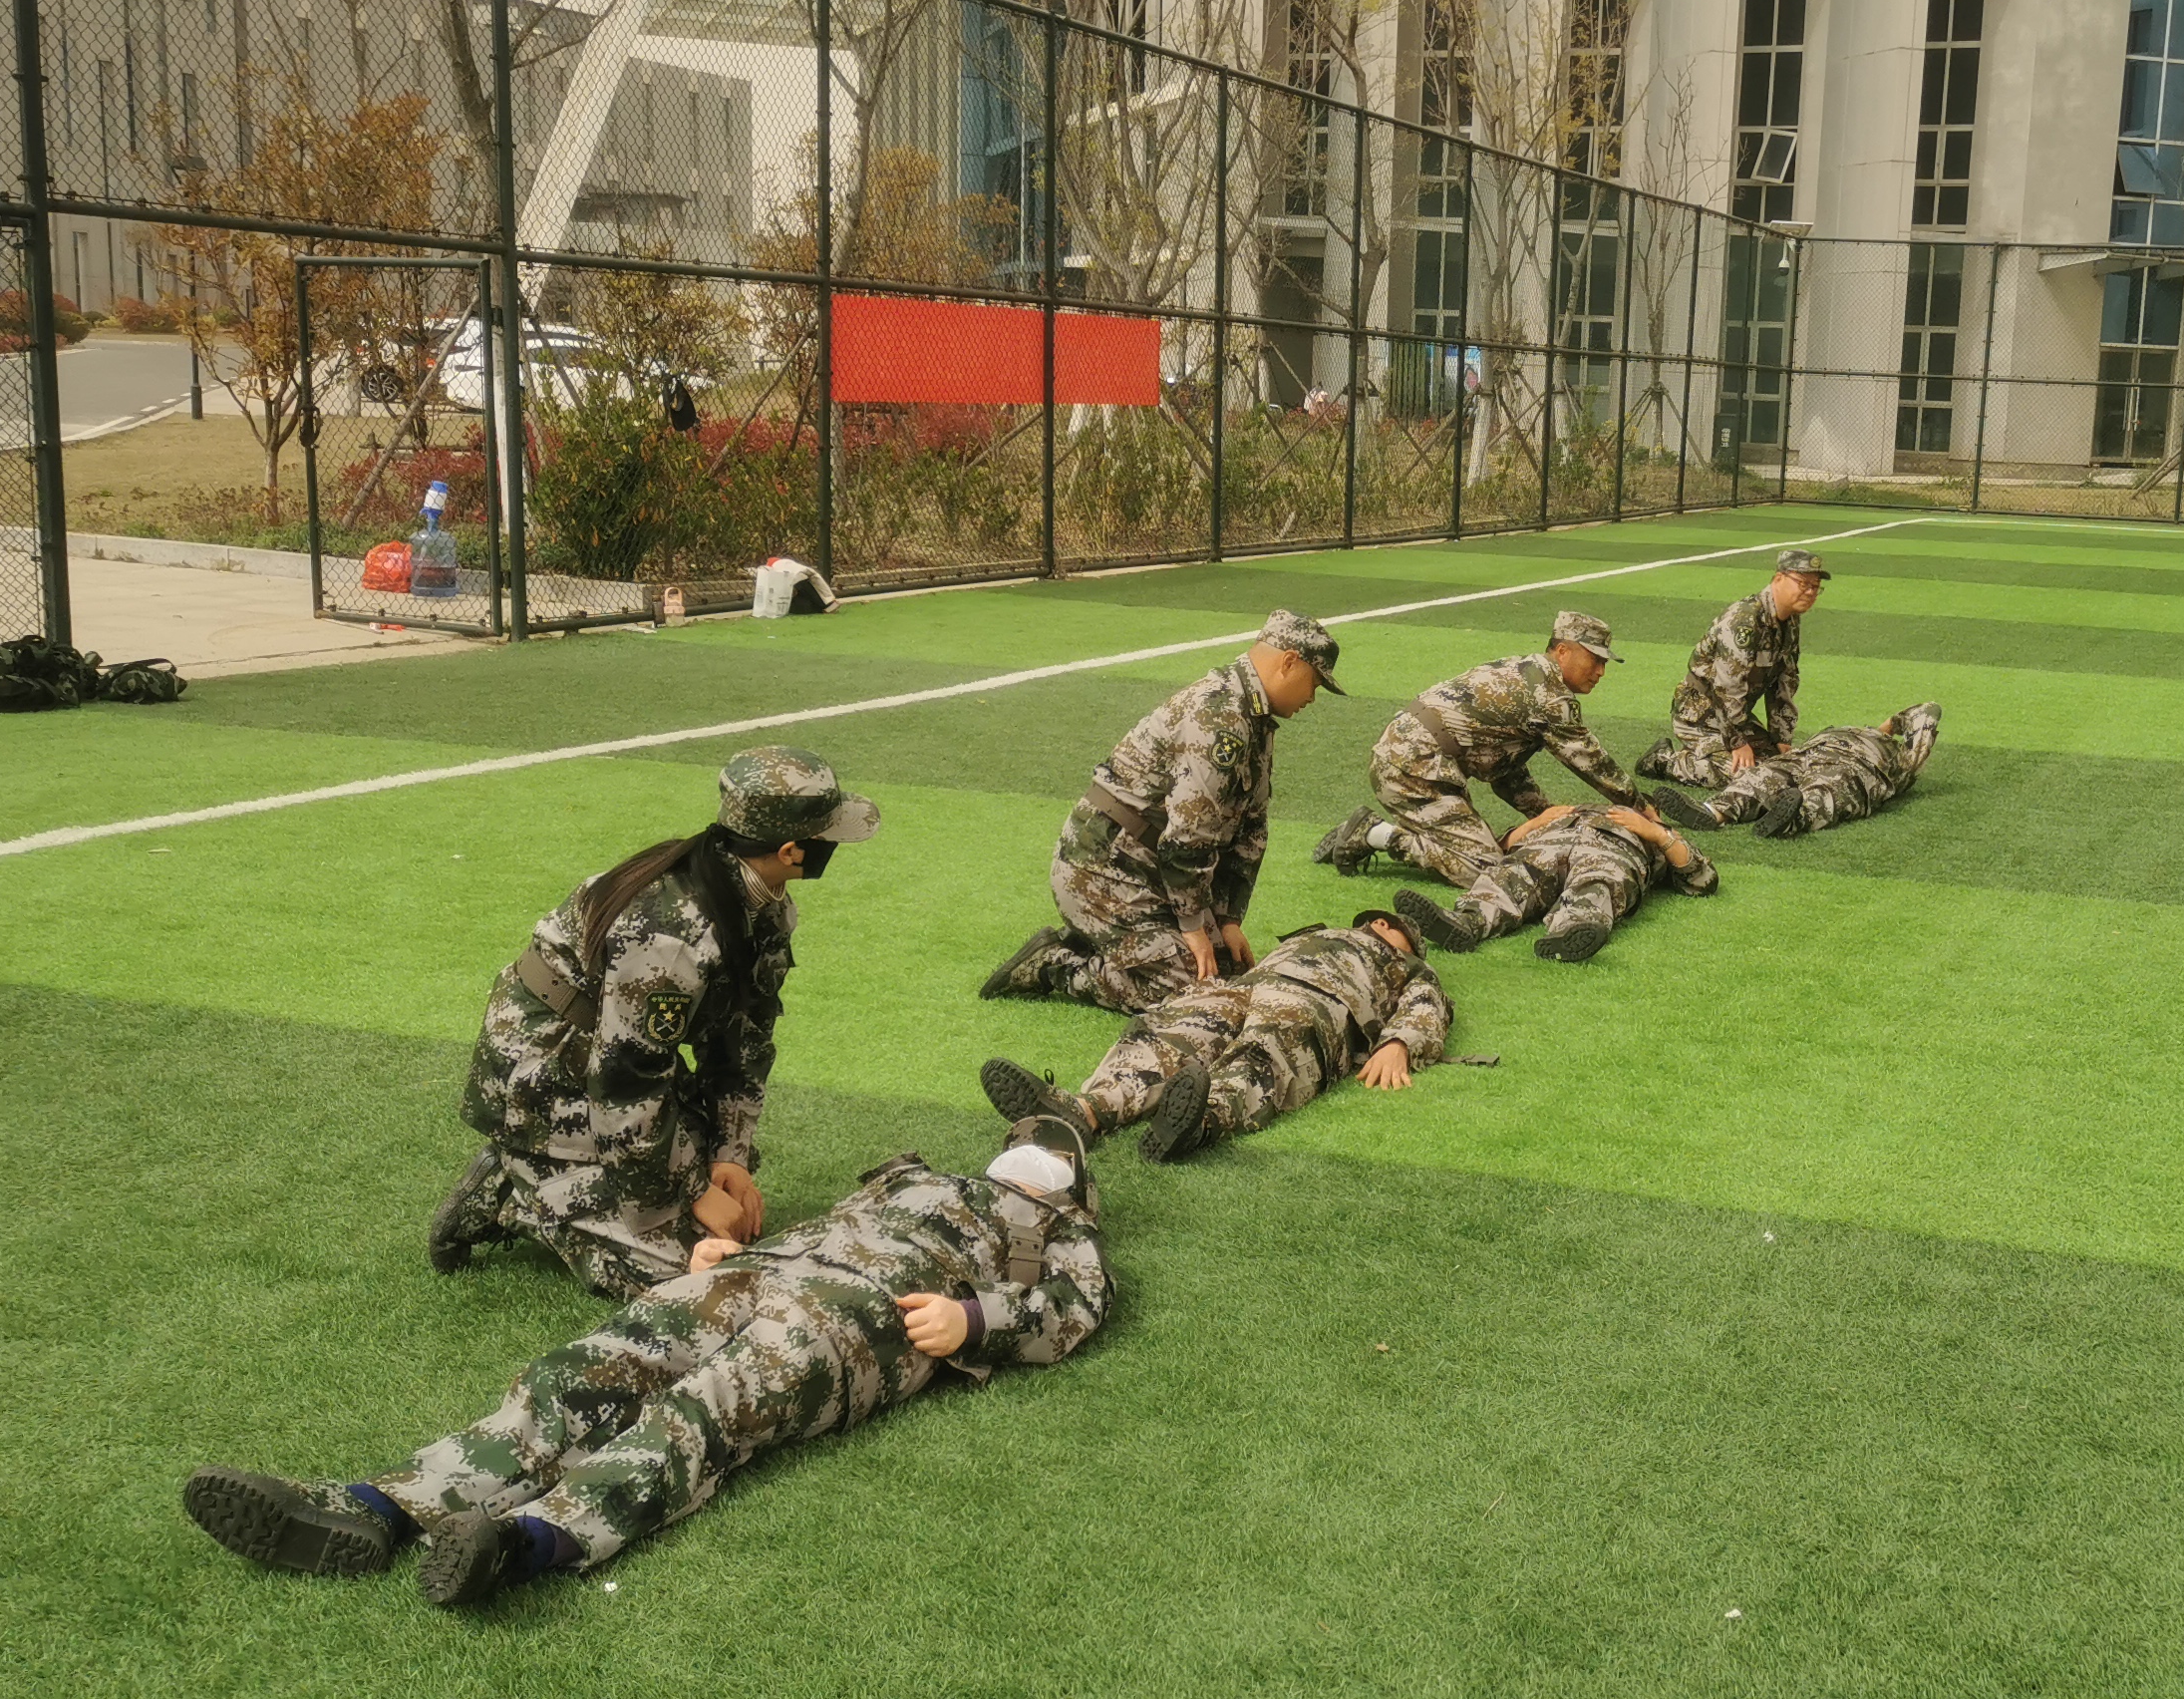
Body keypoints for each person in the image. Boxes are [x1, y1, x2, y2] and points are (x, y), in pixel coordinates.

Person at [185, 1117, 1110, 1607]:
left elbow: (1072, 1313)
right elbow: (832, 1228)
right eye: (1026, 1141)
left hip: (864, 1322)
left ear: (1073, 1185)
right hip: (757, 1274)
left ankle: (527, 1543)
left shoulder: (1062, 1234)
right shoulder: (911, 1176)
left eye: (1051, 1152)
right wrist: (728, 1254)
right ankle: (375, 1508)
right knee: (581, 1371)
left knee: (703, 1412)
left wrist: (974, 1318)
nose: (1029, 1156)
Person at [431, 745, 878, 1296]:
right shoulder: (671, 935)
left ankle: (573, 1175)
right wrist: (694, 1189)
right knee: (677, 1275)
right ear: (790, 851)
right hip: (548, 1068)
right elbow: (625, 1080)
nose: (835, 845)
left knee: (719, 1224)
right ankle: (518, 1188)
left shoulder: (764, 902)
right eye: (828, 835)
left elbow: (745, 1038)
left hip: (617, 1057)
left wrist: (730, 1158)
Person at [978, 609, 1344, 1012]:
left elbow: (1250, 828)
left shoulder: (1252, 716)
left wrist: (1227, 919)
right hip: (1100, 870)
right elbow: (1190, 834)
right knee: (1191, 990)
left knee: (1225, 972)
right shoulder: (1219, 715)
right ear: (1289, 661)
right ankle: (1056, 966)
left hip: (1150, 871)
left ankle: (1115, 946)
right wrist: (1193, 924)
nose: (1312, 697)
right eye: (1314, 683)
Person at [983, 909, 1451, 1163]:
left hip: (1318, 1002)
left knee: (1265, 1052)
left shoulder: (1407, 965)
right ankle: (1083, 1110)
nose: (1410, 949)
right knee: (1170, 1034)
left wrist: (1399, 1043)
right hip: (1243, 987)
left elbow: (1428, 1003)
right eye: (1408, 940)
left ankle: (1197, 1120)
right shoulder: (1321, 933)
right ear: (1383, 923)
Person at [1313, 611, 1654, 887]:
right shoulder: (1550, 698)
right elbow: (1593, 764)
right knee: (1487, 869)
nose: (1600, 671)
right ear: (1563, 650)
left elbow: (1504, 769)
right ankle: (1373, 833)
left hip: (1410, 760)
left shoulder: (1525, 671)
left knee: (1485, 850)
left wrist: (1542, 814)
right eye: (1594, 659)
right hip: (1413, 771)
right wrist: (1643, 812)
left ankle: (1419, 834)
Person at [1393, 800, 1716, 961]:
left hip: (1611, 851)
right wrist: (1534, 823)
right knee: (1509, 876)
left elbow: (1701, 878)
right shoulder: (1571, 809)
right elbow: (1497, 849)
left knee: (1598, 882)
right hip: (1546, 845)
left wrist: (1655, 832)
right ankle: (1466, 923)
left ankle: (1571, 933)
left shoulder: (1661, 835)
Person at [1640, 548, 1826, 788]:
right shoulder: (1744, 620)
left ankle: (1715, 753)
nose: (1810, 592)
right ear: (1779, 578)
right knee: (1746, 777)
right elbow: (1726, 688)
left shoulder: (1790, 620)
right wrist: (1738, 742)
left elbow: (1785, 680)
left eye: (1815, 586)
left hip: (1736, 716)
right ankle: (1665, 761)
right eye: (1803, 583)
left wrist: (1781, 737)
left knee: (1782, 769)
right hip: (1698, 715)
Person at [1656, 702, 1940, 840]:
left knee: (1826, 792)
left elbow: (1928, 710)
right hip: (1809, 752)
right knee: (1763, 776)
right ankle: (1712, 812)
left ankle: (1790, 818)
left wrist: (1893, 729)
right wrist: (1885, 728)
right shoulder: (1859, 732)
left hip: (1858, 767)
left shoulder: (1902, 762)